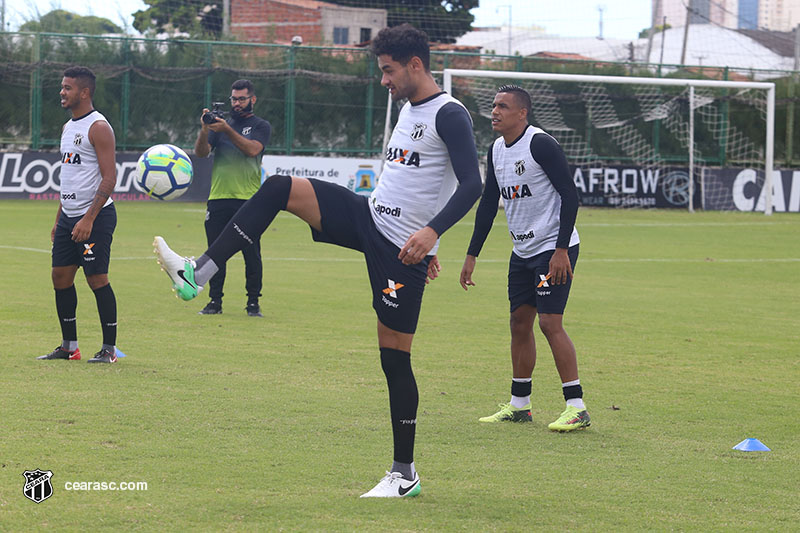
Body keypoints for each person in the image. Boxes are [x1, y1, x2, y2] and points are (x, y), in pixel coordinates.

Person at [153, 23, 482, 497]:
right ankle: (198, 272)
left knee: (394, 359)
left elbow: (471, 184)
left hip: (399, 251)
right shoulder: (409, 108)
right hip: (368, 219)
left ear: (415, 65)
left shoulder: (450, 114)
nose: (384, 81)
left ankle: (404, 474)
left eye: (388, 71)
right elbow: (421, 183)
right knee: (279, 187)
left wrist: (431, 238)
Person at [459, 85, 590, 432]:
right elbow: (489, 203)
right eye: (493, 106)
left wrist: (562, 249)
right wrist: (472, 254)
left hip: (553, 247)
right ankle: (520, 405)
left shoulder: (540, 144)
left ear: (522, 113)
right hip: (522, 250)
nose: (495, 112)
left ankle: (576, 406)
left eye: (503, 106)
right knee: (519, 322)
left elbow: (569, 196)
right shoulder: (496, 150)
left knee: (549, 323)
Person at [38, 66, 119, 364]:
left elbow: (109, 179)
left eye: (67, 87)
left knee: (96, 278)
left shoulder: (98, 127)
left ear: (84, 92)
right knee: (60, 277)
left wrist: (88, 219)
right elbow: (69, 177)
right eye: (62, 87)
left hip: (95, 218)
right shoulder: (67, 127)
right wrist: (61, 217)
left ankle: (109, 349)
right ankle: (69, 347)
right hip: (69, 218)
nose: (62, 92)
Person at [195, 79, 271, 317]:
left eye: (241, 99)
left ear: (252, 99)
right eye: (234, 99)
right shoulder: (219, 126)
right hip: (218, 197)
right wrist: (205, 129)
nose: (237, 104)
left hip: (248, 200)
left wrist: (227, 130)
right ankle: (214, 302)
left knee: (252, 254)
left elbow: (252, 150)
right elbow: (201, 153)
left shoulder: (261, 125)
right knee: (215, 252)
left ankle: (252, 303)